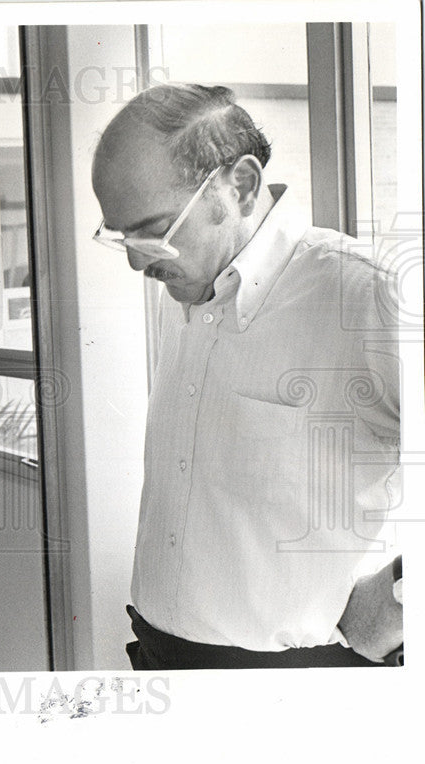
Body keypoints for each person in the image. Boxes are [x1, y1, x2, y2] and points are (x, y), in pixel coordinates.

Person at [91, 83, 403, 669]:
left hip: (294, 679)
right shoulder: (183, 283)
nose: (136, 261)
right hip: (158, 652)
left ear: (241, 185)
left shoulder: (366, 296)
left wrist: (395, 601)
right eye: (121, 237)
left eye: (152, 230)